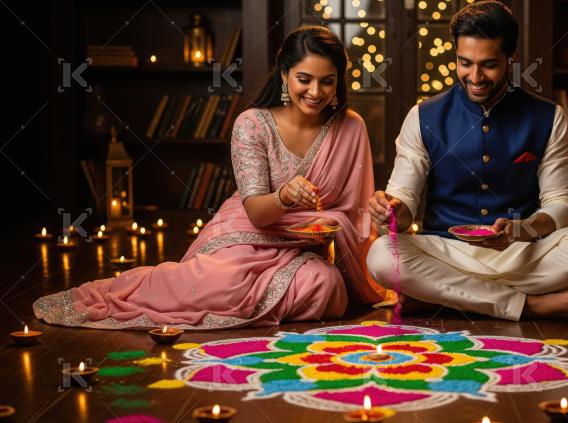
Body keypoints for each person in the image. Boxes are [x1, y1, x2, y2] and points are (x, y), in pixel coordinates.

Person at [34, 25, 384, 330]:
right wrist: (286, 197)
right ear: (284, 75)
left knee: (329, 289)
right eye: (304, 79)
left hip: (307, 247)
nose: (315, 92)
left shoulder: (350, 127)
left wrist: (370, 213)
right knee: (228, 286)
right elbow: (258, 213)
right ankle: (152, 289)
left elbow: (353, 212)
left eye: (327, 81)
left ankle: (264, 298)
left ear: (339, 82)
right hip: (249, 236)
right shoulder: (253, 123)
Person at [366, 1, 568, 322]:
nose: (475, 76)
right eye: (464, 62)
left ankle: (444, 296)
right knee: (382, 256)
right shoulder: (423, 116)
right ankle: (530, 305)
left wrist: (522, 229)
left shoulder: (549, 117)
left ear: (513, 59)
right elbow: (405, 200)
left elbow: (561, 205)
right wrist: (392, 209)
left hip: (519, 254)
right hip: (447, 252)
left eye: (489, 65)